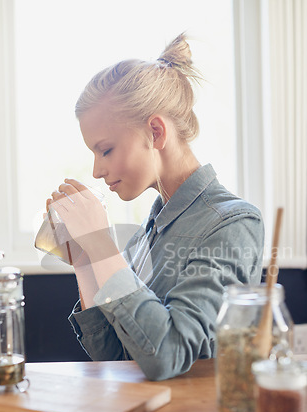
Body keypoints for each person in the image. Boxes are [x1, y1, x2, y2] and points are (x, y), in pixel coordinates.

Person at [46, 33, 264, 381]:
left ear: (156, 132)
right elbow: (114, 355)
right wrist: (87, 261)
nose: (96, 171)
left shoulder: (233, 223)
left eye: (105, 150)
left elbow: (167, 355)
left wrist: (102, 244)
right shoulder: (146, 236)